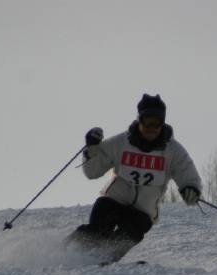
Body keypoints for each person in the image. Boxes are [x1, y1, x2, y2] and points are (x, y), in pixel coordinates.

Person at [68, 93, 202, 264]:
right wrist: (92, 149)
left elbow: (187, 172)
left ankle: (106, 260)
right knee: (97, 231)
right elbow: (92, 172)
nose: (152, 128)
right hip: (113, 200)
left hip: (143, 211)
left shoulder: (172, 150)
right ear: (139, 120)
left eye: (157, 123)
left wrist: (191, 188)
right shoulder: (121, 143)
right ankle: (65, 252)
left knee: (131, 233)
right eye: (148, 122)